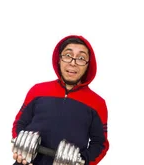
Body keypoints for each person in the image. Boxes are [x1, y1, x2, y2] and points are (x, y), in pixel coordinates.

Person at [11, 35, 109, 165]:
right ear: (59, 59)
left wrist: (82, 161)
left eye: (81, 58)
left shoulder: (97, 103)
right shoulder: (38, 90)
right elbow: (20, 123)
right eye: (68, 55)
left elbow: (100, 144)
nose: (73, 62)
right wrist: (21, 149)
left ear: (87, 65)